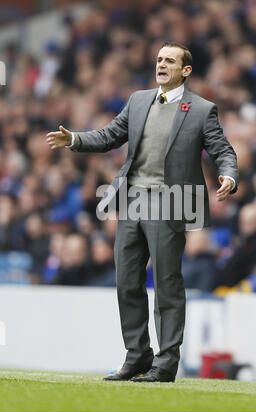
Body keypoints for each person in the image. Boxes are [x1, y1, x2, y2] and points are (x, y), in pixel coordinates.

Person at [46, 42, 239, 383]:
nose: (161, 64)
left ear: (186, 70)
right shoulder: (138, 100)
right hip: (131, 200)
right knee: (127, 282)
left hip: (172, 201)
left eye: (170, 61)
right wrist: (75, 139)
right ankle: (137, 356)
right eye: (159, 59)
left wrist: (229, 174)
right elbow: (110, 135)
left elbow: (222, 149)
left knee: (167, 283)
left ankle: (165, 363)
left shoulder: (201, 109)